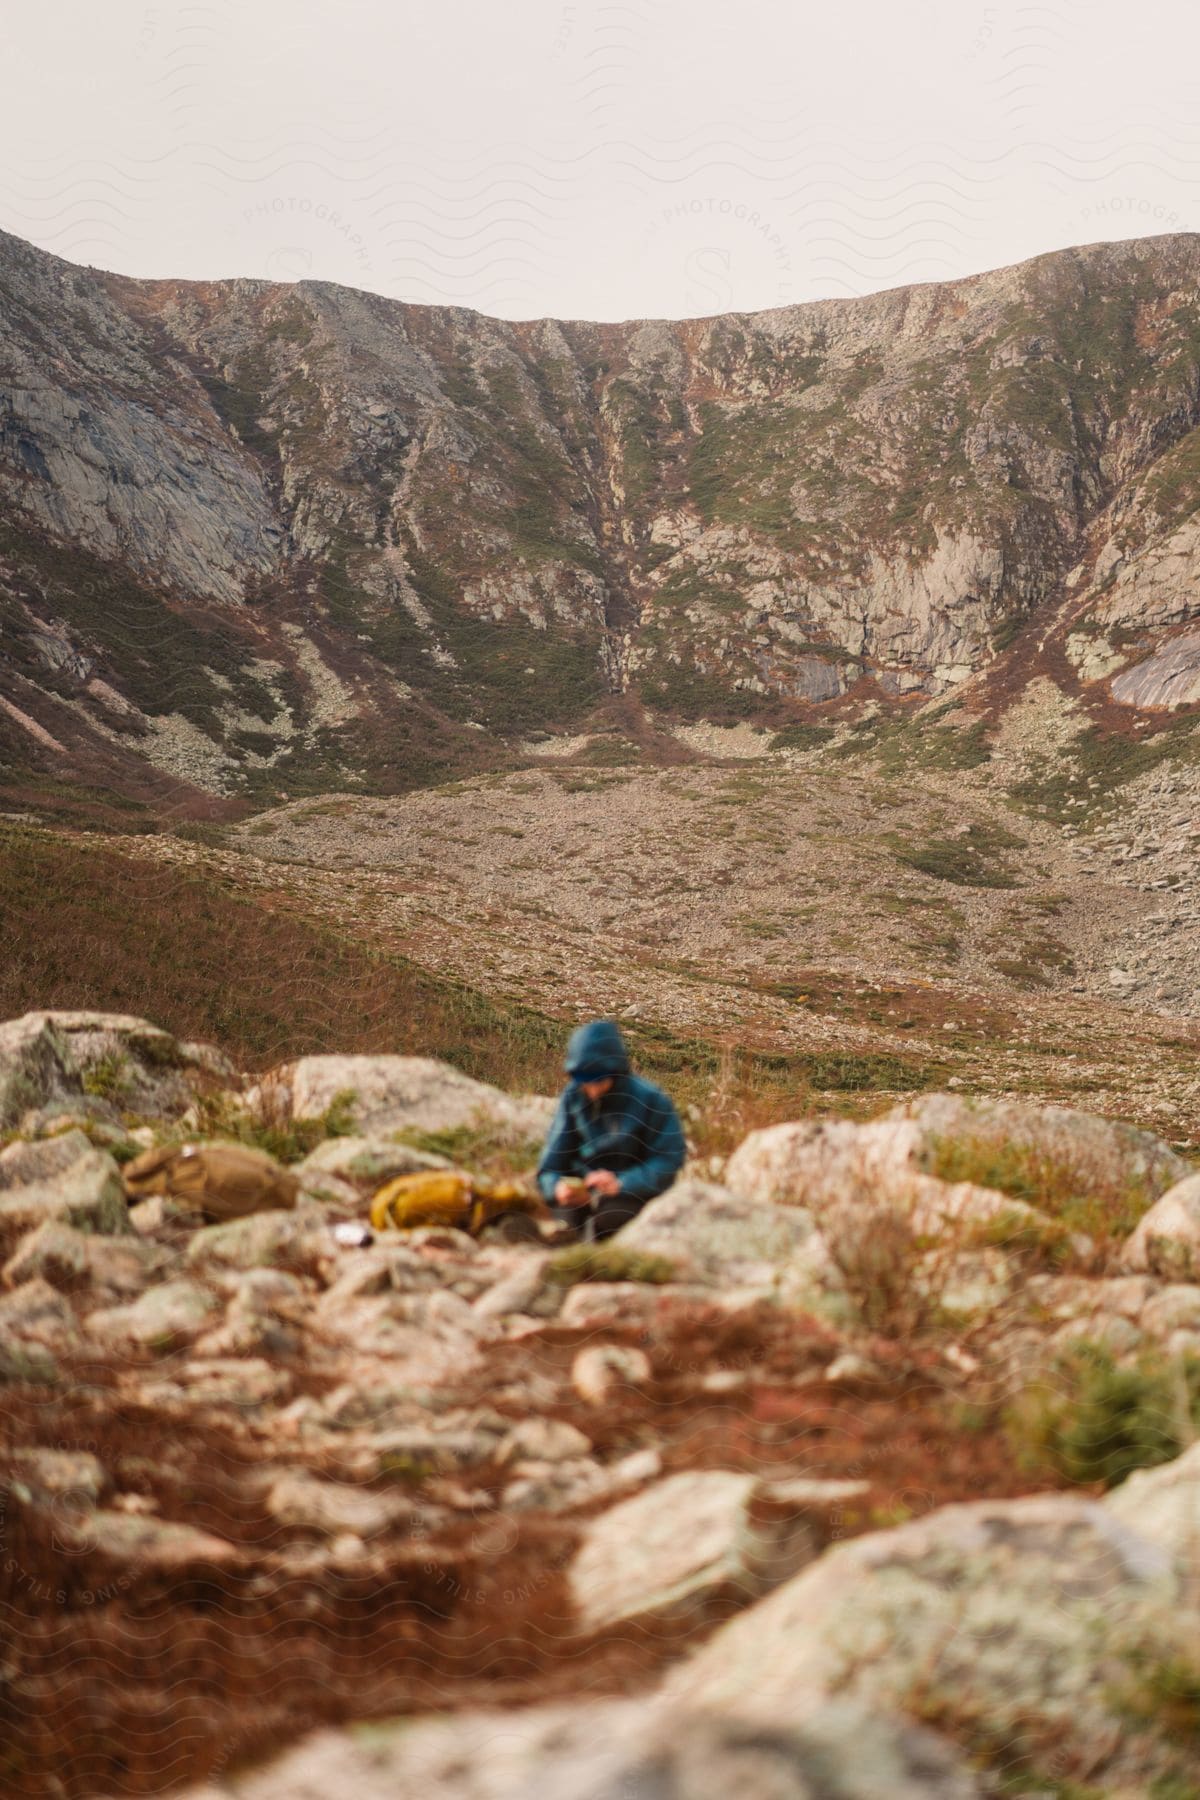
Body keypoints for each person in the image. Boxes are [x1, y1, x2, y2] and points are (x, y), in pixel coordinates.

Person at [536, 1019, 686, 1240]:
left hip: (632, 1193)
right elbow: (552, 1162)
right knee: (559, 1224)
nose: (591, 1089)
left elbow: (668, 1160)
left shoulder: (651, 1100)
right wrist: (556, 1188)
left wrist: (622, 1183)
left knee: (609, 1221)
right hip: (581, 1190)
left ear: (616, 1072)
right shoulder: (572, 1097)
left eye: (598, 1080)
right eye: (583, 1080)